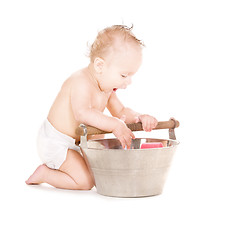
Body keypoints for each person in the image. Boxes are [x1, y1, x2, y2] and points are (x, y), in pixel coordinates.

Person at [26, 25, 158, 190]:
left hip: (79, 142)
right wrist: (115, 124)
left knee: (102, 173)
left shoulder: (106, 87)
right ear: (100, 66)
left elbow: (121, 112)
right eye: (124, 75)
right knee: (86, 182)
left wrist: (140, 117)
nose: (128, 82)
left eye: (131, 76)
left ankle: (78, 166)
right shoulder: (80, 81)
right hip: (56, 141)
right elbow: (82, 113)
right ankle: (45, 173)